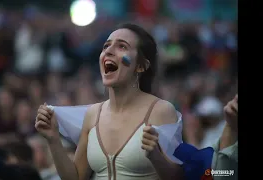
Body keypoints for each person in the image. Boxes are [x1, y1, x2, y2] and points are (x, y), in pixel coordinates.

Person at [35, 23, 184, 180]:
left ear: (140, 66)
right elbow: (77, 177)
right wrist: (53, 139)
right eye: (106, 46)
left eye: (122, 46)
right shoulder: (93, 114)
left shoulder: (161, 110)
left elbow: (177, 177)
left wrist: (156, 157)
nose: (109, 51)